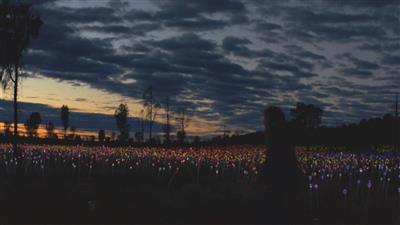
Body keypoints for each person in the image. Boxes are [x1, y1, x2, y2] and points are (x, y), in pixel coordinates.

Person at [263, 106, 305, 222]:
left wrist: (263, 175)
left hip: (279, 176)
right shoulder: (286, 130)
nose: (263, 121)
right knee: (286, 208)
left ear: (271, 119)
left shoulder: (275, 134)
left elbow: (273, 157)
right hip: (289, 174)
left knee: (278, 208)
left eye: (265, 118)